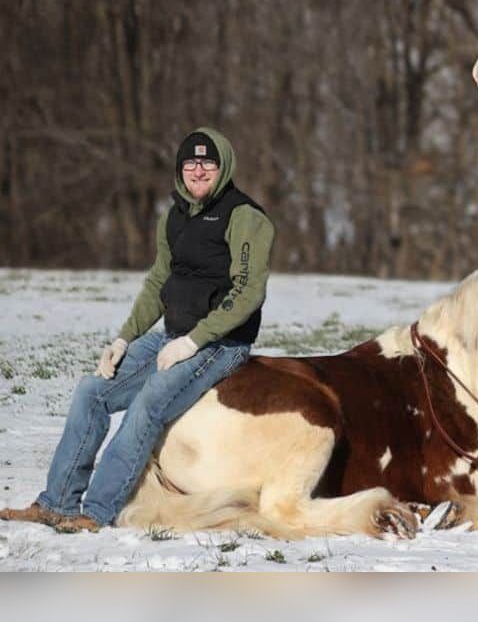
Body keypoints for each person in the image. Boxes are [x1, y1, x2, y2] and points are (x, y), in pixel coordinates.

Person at [0, 127, 274, 533]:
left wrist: (194, 341)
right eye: (190, 163)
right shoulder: (173, 217)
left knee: (149, 403)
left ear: (223, 167)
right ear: (181, 170)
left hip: (220, 343)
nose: (198, 171)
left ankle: (96, 512)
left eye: (207, 163)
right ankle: (56, 502)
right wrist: (123, 338)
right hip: (171, 335)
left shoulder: (245, 216)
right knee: (91, 392)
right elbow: (157, 283)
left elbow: (248, 291)